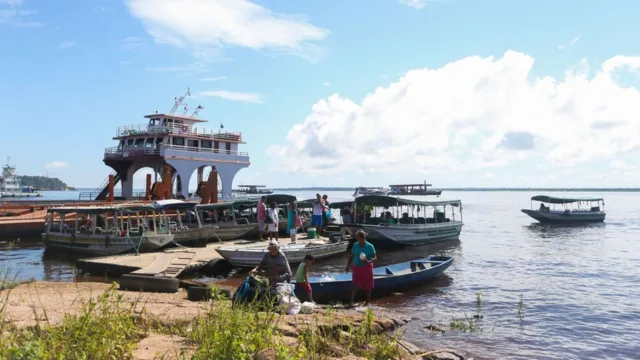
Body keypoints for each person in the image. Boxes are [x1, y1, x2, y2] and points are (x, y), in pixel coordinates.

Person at [345, 230, 376, 307]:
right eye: (356, 237)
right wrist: (348, 266)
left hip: (367, 268)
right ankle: (351, 303)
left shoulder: (370, 246)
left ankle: (367, 303)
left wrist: (369, 261)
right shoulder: (355, 245)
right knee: (354, 285)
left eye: (358, 237)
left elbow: (375, 257)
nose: (357, 239)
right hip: (357, 267)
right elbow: (352, 256)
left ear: (363, 238)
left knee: (368, 286)